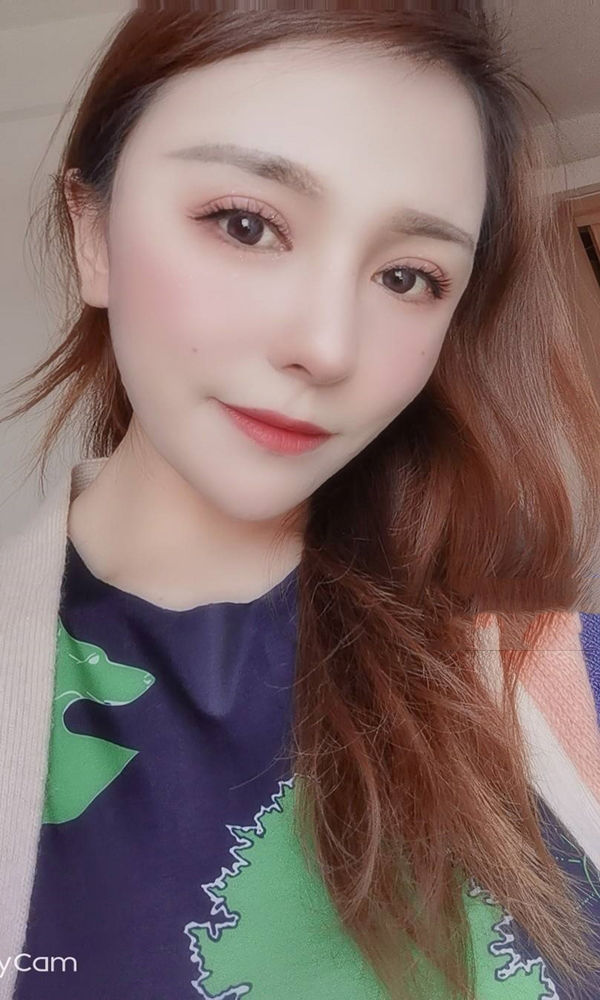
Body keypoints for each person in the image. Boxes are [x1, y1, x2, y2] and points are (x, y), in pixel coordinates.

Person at [0, 5, 599, 1000]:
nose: (326, 346)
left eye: (408, 275)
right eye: (246, 223)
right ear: (92, 230)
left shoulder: (562, 678)